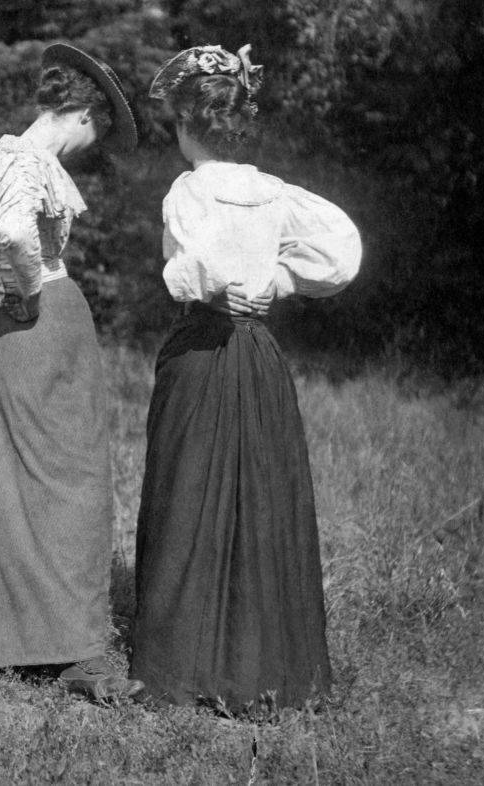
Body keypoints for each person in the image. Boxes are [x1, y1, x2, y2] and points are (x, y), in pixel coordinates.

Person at [129, 45, 362, 711]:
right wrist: (276, 280)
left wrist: (219, 283)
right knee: (258, 495)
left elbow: (187, 271)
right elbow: (340, 253)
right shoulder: (275, 193)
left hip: (204, 350)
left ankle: (184, 664)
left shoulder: (190, 191)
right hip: (257, 351)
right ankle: (261, 660)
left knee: (189, 489)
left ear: (188, 129)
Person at [0, 44, 143, 701]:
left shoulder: (2, 155)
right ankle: (74, 649)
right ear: (78, 114)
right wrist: (27, 289)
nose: (90, 147)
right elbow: (15, 236)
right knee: (71, 483)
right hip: (33, 321)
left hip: (3, 327)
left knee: (11, 484)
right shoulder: (26, 160)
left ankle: (12, 639)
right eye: (95, 132)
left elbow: (6, 232)